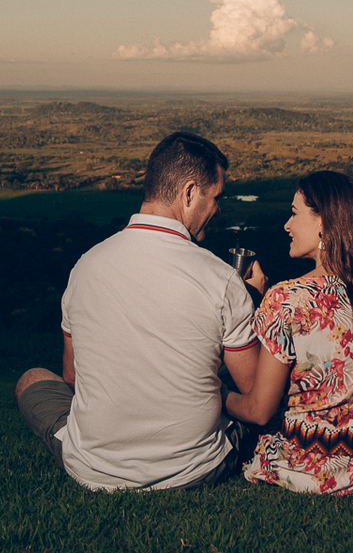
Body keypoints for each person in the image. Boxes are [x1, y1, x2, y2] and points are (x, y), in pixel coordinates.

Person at [14, 131, 266, 490]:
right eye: (216, 197)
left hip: (94, 468)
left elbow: (72, 378)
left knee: (32, 378)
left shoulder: (85, 266)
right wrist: (252, 302)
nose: (218, 210)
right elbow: (255, 391)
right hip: (195, 468)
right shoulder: (221, 279)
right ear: (190, 193)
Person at [224, 170, 353, 495]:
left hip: (310, 466)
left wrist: (215, 397)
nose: (286, 225)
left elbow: (259, 411)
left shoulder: (287, 298)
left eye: (294, 214)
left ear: (325, 223)